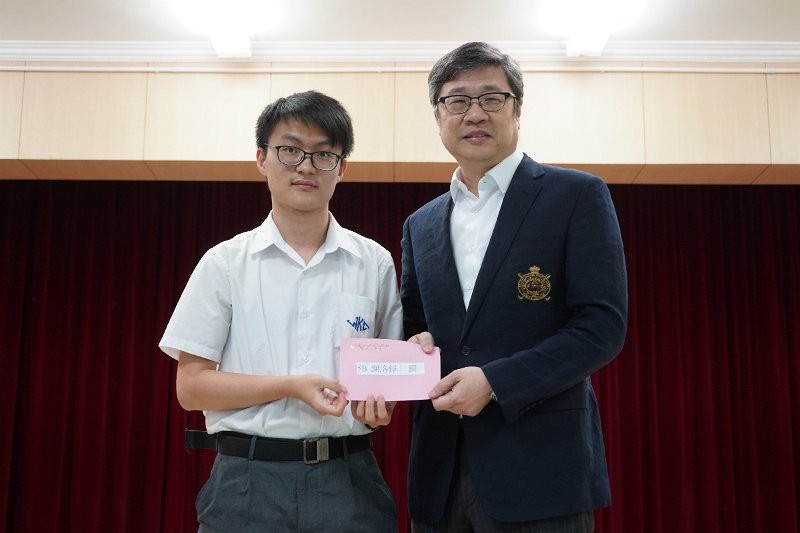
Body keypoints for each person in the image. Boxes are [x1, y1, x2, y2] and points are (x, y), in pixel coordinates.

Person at [401, 42, 628, 532]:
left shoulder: (576, 196)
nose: (474, 113)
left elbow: (601, 327)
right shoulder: (420, 224)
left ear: (518, 109)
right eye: (457, 101)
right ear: (438, 116)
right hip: (439, 476)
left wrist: (497, 382)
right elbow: (415, 326)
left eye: (492, 98)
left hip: (541, 469)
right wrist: (413, 345)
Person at [159, 90, 402, 533]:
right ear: (262, 158)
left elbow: (384, 379)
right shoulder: (224, 263)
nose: (306, 166)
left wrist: (379, 407)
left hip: (348, 479)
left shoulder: (375, 263)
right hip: (246, 481)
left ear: (342, 168)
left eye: (323, 154)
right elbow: (191, 389)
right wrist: (290, 386)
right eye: (290, 150)